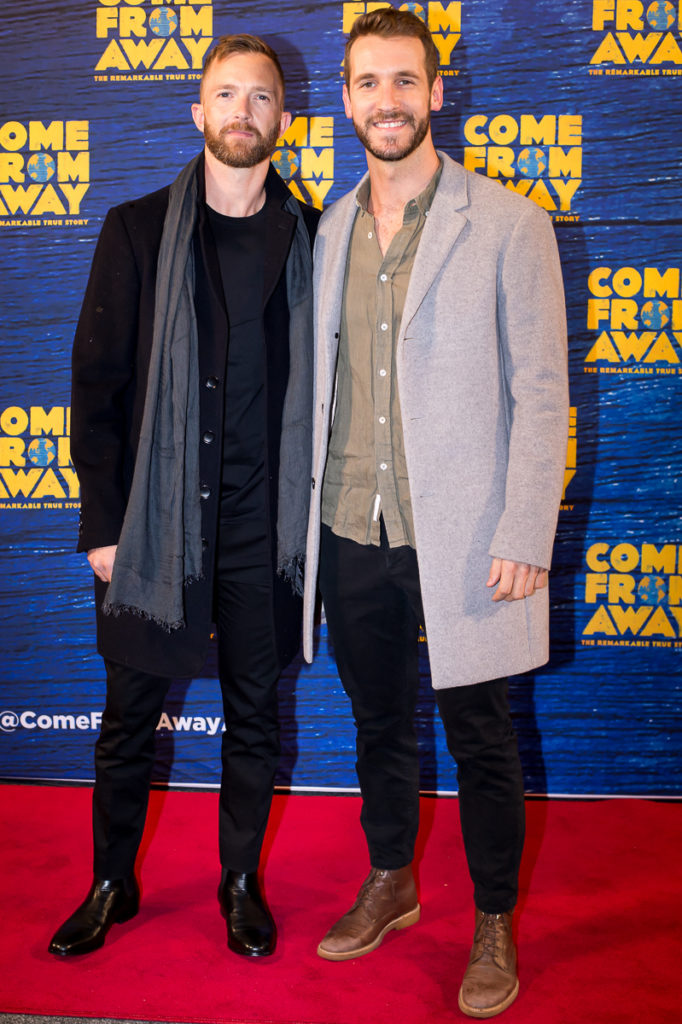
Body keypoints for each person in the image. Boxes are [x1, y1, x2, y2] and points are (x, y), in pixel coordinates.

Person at [302, 8, 568, 1018]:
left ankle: (493, 917)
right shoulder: (327, 229)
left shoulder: (507, 222)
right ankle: (393, 878)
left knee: (481, 734)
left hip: (462, 536)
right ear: (346, 99)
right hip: (349, 522)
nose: (388, 101)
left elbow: (541, 389)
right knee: (377, 722)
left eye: (405, 80)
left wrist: (523, 529)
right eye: (368, 82)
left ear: (436, 92)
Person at [49, 34, 318, 960]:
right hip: (153, 525)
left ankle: (239, 882)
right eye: (226, 95)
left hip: (263, 525)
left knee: (255, 714)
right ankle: (111, 883)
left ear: (284, 118)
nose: (243, 111)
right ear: (198, 111)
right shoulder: (135, 228)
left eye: (261, 97)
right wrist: (103, 525)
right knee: (129, 715)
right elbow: (97, 386)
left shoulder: (311, 236)